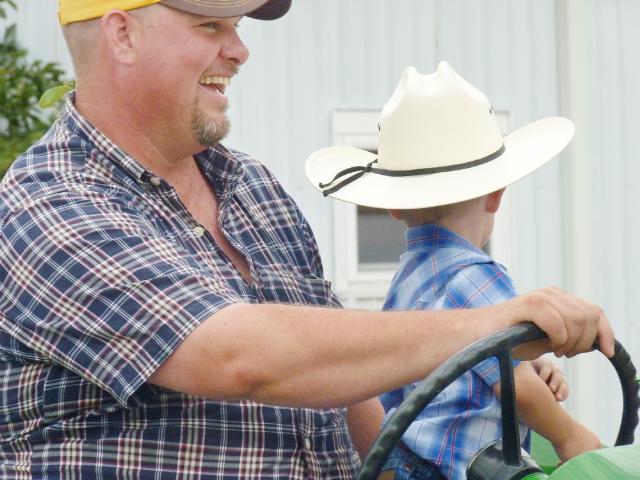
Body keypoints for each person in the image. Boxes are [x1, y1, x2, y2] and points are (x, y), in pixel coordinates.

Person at [0, 2, 611, 479]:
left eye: (236, 27)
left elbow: (345, 395)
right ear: (121, 35)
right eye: (211, 25)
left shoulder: (252, 187)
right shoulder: (47, 203)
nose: (239, 51)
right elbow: (236, 356)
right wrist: (490, 325)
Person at [306, 62, 601, 480]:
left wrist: (529, 365)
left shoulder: (407, 278)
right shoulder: (478, 274)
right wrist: (571, 436)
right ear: (496, 195)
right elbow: (514, 387)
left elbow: (455, 369)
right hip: (456, 467)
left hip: (406, 463)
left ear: (393, 207)